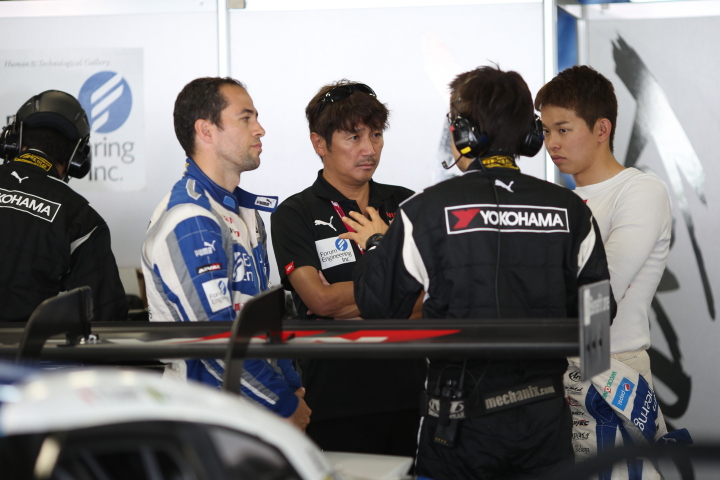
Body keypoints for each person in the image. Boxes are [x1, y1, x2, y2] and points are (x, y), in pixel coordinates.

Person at [343, 66, 614, 480]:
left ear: (462, 132)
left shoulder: (425, 210)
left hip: (459, 429)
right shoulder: (571, 210)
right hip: (545, 425)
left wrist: (378, 243)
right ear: (529, 134)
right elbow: (598, 323)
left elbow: (378, 305)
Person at [141, 77, 310, 430]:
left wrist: (291, 388)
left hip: (253, 413)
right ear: (206, 131)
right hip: (207, 420)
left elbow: (262, 318)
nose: (260, 129)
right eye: (245, 118)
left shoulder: (245, 213)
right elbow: (216, 343)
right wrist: (283, 404)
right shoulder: (189, 218)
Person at [270, 80, 426, 456]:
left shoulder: (407, 204)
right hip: (334, 399)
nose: (369, 149)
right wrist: (397, 292)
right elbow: (321, 301)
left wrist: (355, 299)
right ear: (319, 143)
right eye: (353, 137)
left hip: (410, 394)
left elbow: (433, 295)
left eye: (376, 135)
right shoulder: (295, 214)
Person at [535, 65, 672, 477]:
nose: (551, 143)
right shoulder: (558, 201)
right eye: (545, 131)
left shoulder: (640, 189)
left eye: (563, 129)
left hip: (612, 367)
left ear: (601, 129)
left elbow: (599, 293)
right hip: (555, 370)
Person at [0, 90, 128, 323]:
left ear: (11, 140)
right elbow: (106, 316)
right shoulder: (82, 218)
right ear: (77, 159)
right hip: (25, 346)